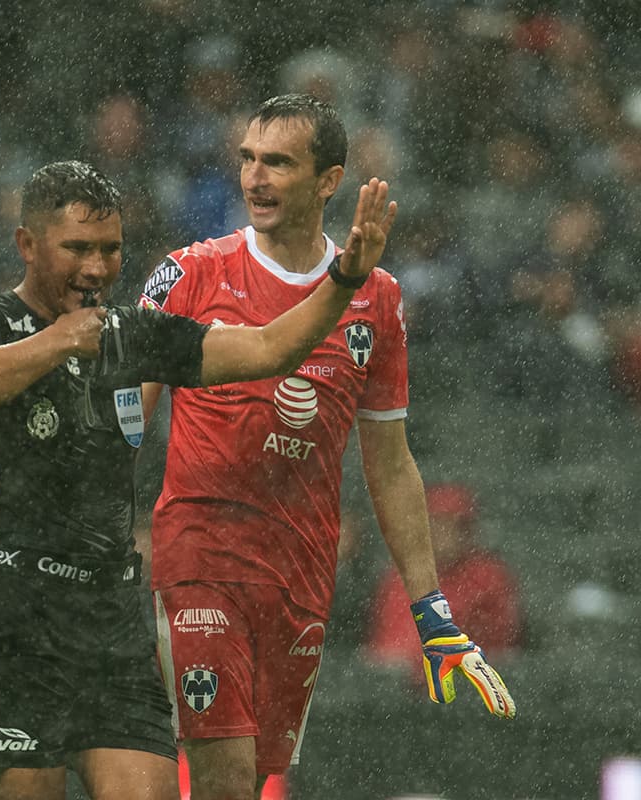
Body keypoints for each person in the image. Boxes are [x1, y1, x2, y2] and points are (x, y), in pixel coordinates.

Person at [0, 159, 395, 800]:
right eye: (77, 249)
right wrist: (60, 342)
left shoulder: (132, 335)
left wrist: (344, 277)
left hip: (111, 617)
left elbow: (268, 348)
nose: (97, 267)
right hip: (15, 611)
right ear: (27, 245)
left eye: (110, 249)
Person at [140, 94, 516, 800]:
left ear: (328, 180)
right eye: (248, 159)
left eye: (278, 162)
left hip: (300, 573)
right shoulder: (189, 273)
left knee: (251, 782)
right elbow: (126, 417)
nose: (256, 178)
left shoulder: (376, 299)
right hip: (199, 554)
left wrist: (430, 605)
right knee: (219, 777)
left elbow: (391, 461)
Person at [367, 482, 523, 667]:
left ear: (466, 530)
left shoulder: (490, 577)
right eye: (436, 525)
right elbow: (386, 647)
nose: (443, 534)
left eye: (451, 525)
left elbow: (498, 644)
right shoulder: (402, 575)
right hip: (403, 686)